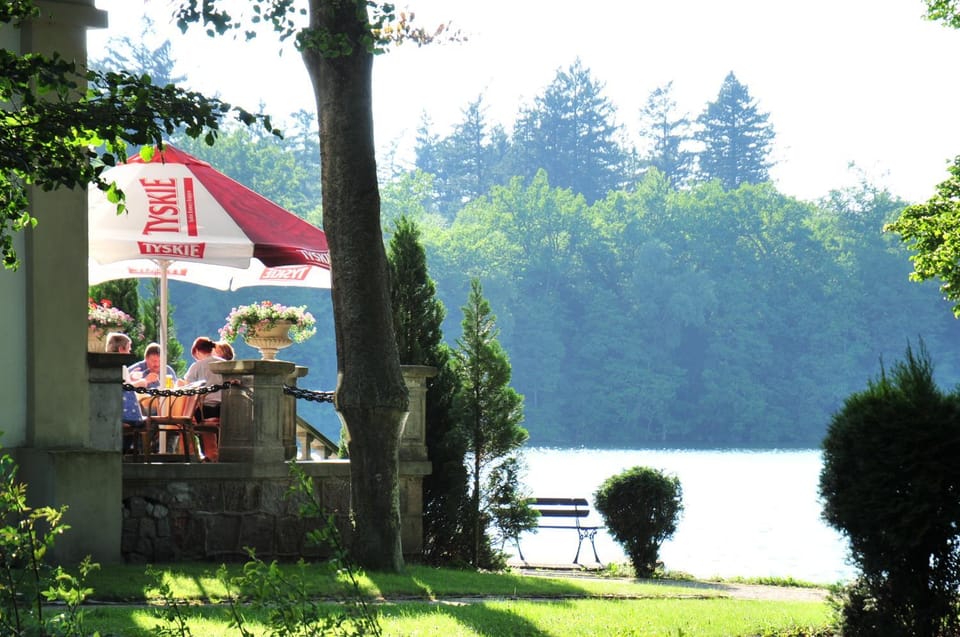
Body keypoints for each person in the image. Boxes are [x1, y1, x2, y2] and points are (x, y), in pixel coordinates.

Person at [184, 336, 225, 461]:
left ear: (196, 351)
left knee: (188, 420)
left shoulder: (197, 366)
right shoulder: (224, 364)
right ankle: (216, 453)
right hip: (224, 409)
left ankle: (205, 454)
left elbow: (188, 387)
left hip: (205, 409)